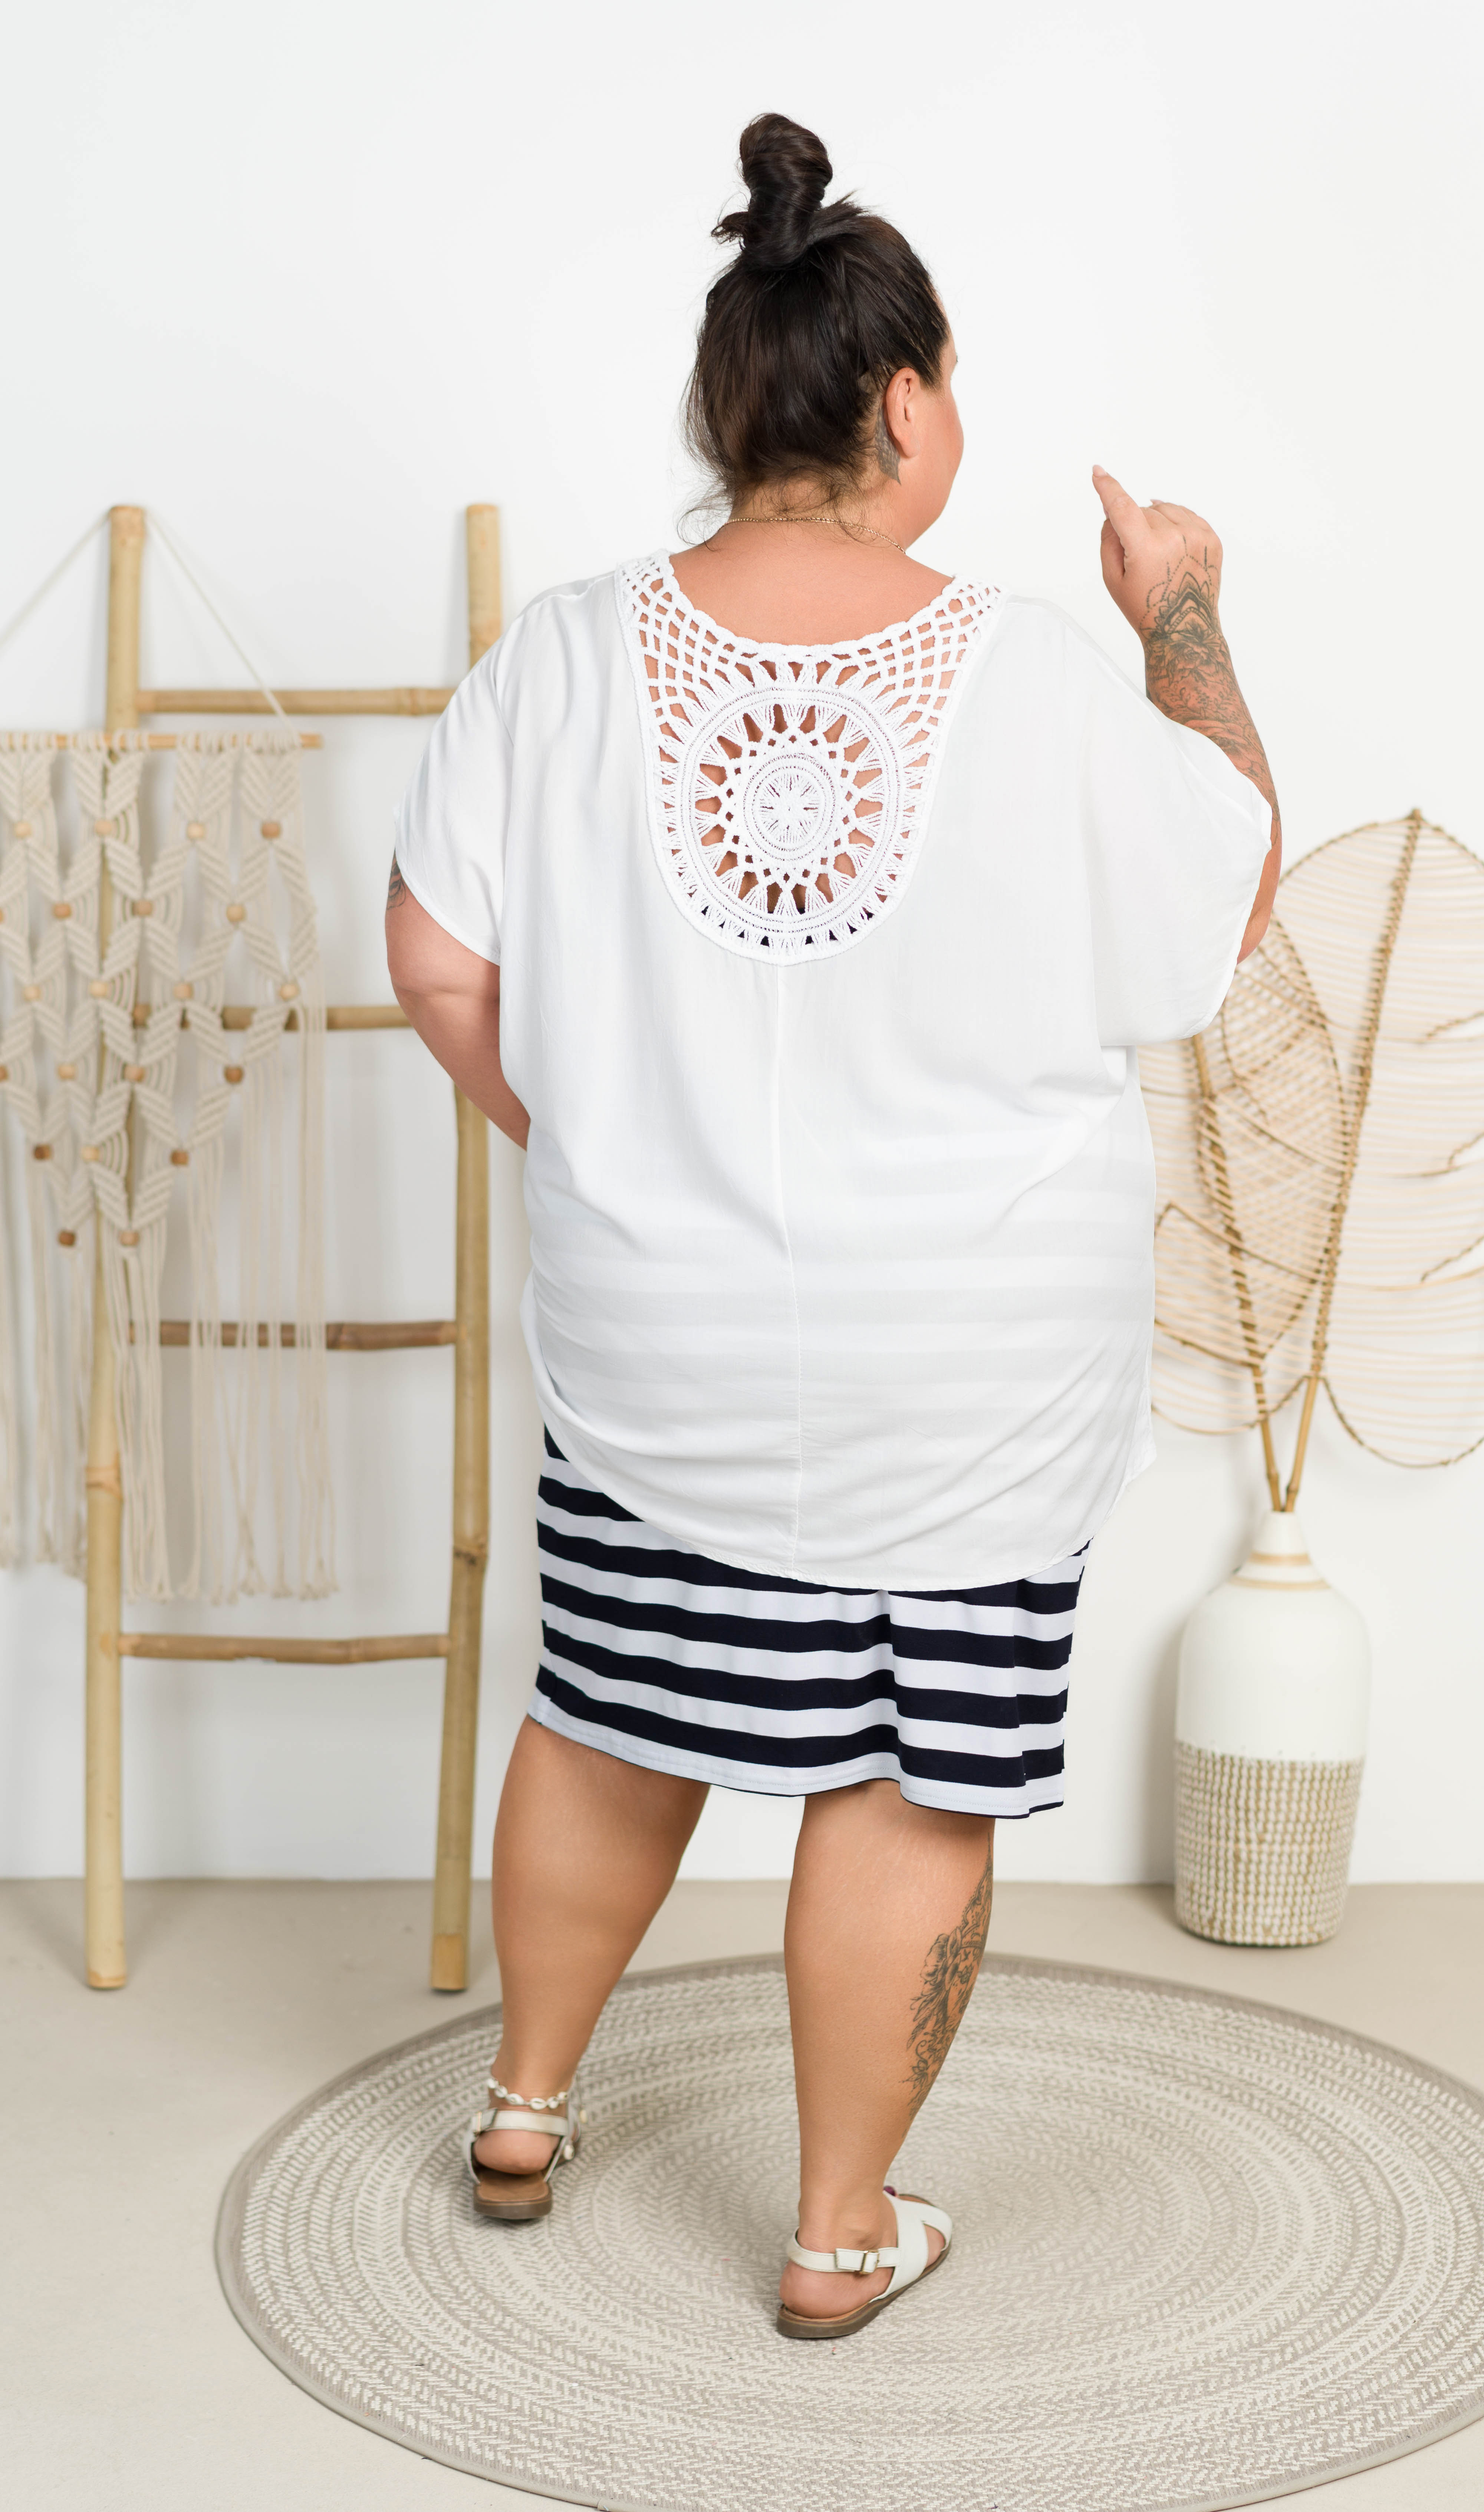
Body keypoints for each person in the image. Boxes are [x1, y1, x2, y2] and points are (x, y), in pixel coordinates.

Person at [386, 110, 1279, 2341]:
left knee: (613, 1709)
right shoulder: (1038, 671)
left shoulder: (556, 657)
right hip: (968, 1370)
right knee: (902, 1769)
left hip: (653, 1339)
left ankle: (524, 2104)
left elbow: (434, 963)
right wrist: (1179, 606)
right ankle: (835, 2227)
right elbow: (1224, 893)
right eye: (949, 383)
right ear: (898, 405)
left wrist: (588, 1138)